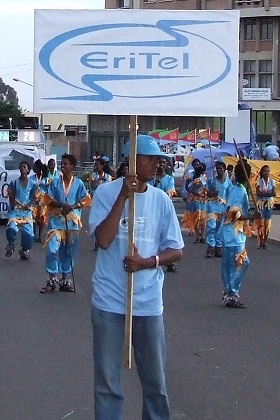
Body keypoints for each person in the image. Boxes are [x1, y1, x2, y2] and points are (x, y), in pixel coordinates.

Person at [89, 134, 184, 420]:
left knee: (155, 382)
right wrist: (123, 197)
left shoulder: (161, 200)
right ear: (132, 161)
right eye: (151, 158)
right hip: (109, 303)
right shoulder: (105, 193)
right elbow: (103, 240)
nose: (157, 164)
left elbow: (176, 250)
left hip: (148, 303)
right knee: (107, 383)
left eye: (159, 159)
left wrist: (148, 262)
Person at [40, 154, 91, 293]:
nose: (63, 166)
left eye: (66, 164)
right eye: (61, 164)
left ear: (72, 167)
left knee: (68, 251)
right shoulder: (55, 182)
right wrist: (61, 204)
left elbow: (86, 200)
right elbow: (47, 199)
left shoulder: (79, 183)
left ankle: (65, 279)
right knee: (52, 249)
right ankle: (51, 278)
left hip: (72, 223)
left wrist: (73, 206)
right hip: (56, 222)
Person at [220, 160, 260, 308]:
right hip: (233, 234)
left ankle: (229, 292)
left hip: (234, 234)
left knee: (233, 264)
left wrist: (250, 214)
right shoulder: (239, 190)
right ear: (248, 175)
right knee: (239, 264)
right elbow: (234, 214)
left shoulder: (236, 188)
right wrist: (252, 216)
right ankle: (232, 293)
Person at [150, 156, 178, 272]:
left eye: (163, 163)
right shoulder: (151, 179)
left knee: (166, 236)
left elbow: (169, 193)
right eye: (159, 162)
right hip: (152, 209)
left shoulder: (169, 179)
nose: (161, 165)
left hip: (164, 210)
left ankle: (168, 261)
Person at [5, 161, 38, 260]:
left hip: (26, 213)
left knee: (29, 235)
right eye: (21, 167)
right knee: (11, 228)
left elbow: (35, 197)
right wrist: (12, 205)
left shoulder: (32, 184)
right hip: (15, 211)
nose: (22, 168)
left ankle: (24, 250)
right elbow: (11, 195)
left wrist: (30, 205)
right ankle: (11, 244)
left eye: (24, 167)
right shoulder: (14, 183)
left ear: (28, 170)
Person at [205, 161, 232, 258]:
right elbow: (206, 191)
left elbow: (230, 196)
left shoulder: (228, 183)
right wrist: (212, 193)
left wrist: (229, 208)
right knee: (211, 226)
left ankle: (218, 246)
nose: (219, 170)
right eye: (218, 169)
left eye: (221, 169)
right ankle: (210, 247)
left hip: (223, 207)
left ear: (224, 170)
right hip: (212, 206)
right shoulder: (212, 180)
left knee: (220, 228)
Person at [182, 162, 208, 243]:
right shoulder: (192, 177)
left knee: (203, 219)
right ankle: (197, 236)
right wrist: (196, 193)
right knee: (196, 218)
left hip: (202, 200)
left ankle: (202, 236)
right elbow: (188, 187)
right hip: (194, 200)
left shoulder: (204, 178)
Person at [255, 164, 276, 249]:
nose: (267, 173)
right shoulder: (259, 181)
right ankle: (260, 242)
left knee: (267, 223)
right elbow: (258, 193)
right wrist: (268, 193)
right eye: (265, 171)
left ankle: (265, 242)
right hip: (261, 203)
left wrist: (264, 193)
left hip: (269, 204)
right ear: (262, 172)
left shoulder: (272, 181)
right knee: (261, 223)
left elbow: (274, 193)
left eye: (268, 171)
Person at [30, 159, 49, 242]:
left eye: (35, 166)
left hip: (42, 200)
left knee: (41, 217)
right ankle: (33, 234)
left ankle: (40, 236)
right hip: (34, 199)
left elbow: (48, 189)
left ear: (38, 168)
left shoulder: (45, 178)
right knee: (33, 217)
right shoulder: (31, 178)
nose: (33, 168)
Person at [181, 158, 201, 236]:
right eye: (195, 164)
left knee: (199, 214)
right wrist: (191, 192)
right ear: (192, 165)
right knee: (191, 214)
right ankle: (191, 229)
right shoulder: (189, 175)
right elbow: (186, 186)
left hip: (199, 198)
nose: (197, 166)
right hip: (191, 197)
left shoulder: (202, 175)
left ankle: (198, 229)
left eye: (198, 164)